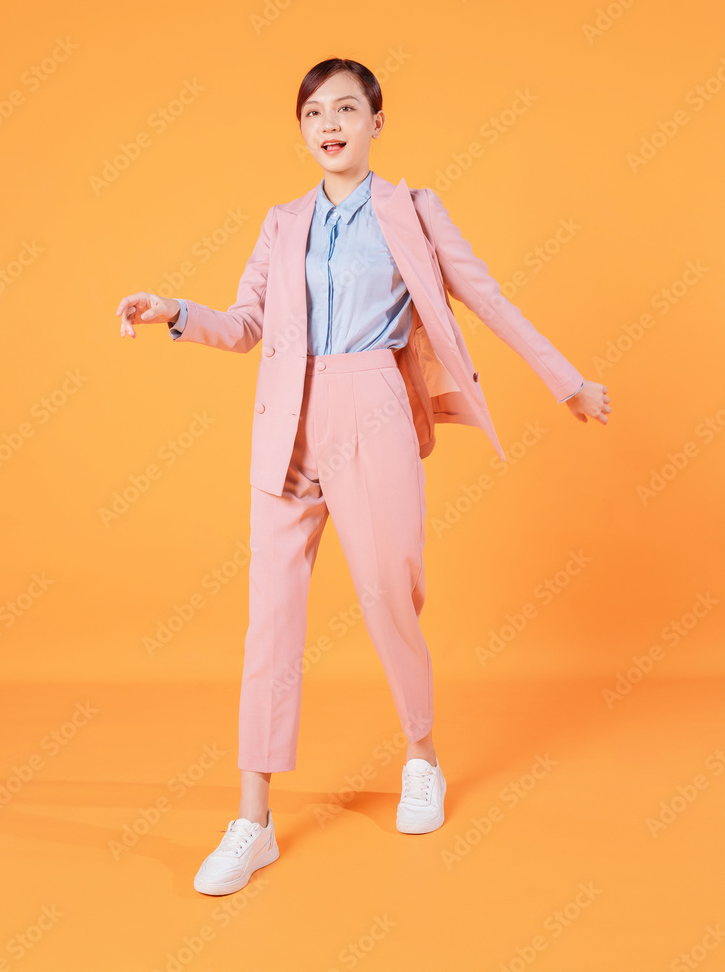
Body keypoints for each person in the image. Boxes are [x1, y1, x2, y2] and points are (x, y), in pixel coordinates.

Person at [115, 57, 611, 897]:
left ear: (378, 122)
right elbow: (247, 325)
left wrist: (566, 380)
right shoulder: (281, 222)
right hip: (285, 424)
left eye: (347, 108)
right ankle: (253, 820)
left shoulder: (412, 213)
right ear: (302, 129)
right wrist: (176, 314)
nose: (330, 123)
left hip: (372, 406)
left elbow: (487, 299)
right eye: (314, 112)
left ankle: (421, 754)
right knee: (267, 622)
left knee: (388, 592)